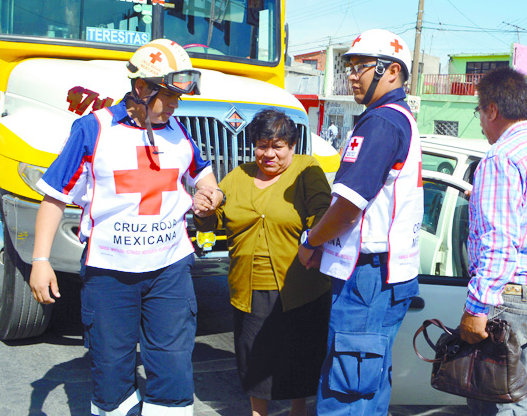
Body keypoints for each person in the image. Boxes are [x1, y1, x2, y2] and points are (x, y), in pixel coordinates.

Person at [29, 39, 224, 416]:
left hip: (170, 271)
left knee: (173, 370)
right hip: (109, 273)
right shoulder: (93, 129)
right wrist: (40, 260)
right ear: (141, 87)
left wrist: (211, 194)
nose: (175, 105)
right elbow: (54, 196)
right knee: (111, 372)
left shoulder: (177, 130)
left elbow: (202, 173)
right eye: (168, 96)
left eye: (178, 97)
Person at [297, 29, 422, 416]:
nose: (351, 75)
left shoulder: (381, 123)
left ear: (392, 72)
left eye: (361, 67)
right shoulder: (394, 119)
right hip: (379, 275)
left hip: (369, 278)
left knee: (347, 393)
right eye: (349, 66)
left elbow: (349, 207)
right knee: (365, 387)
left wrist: (312, 241)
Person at [193, 108, 332, 416]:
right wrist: (203, 210)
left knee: (298, 358)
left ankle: (298, 411)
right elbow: (211, 221)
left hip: (300, 286)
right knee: (254, 359)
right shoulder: (238, 177)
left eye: (277, 146)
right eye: (261, 146)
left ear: (292, 146)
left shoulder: (306, 170)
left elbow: (322, 211)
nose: (268, 154)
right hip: (249, 288)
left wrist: (313, 242)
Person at [459, 66, 527, 416]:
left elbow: (499, 244)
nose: (480, 121)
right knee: (516, 397)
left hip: (508, 301)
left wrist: (477, 308)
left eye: (479, 111)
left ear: (492, 110)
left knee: (496, 406)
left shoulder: (501, 157)